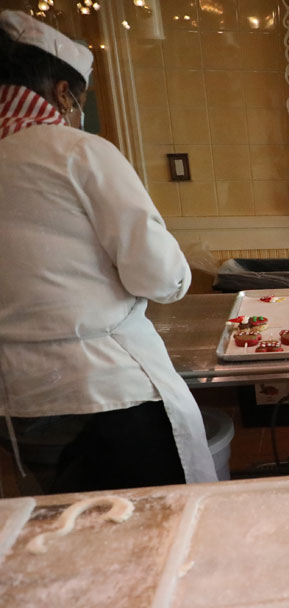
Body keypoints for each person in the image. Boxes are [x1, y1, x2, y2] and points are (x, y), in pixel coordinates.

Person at [0, 11, 217, 491]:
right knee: (153, 527)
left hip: (18, 401)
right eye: (77, 99)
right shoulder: (78, 153)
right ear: (62, 93)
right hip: (108, 390)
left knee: (66, 529)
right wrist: (180, 276)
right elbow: (159, 276)